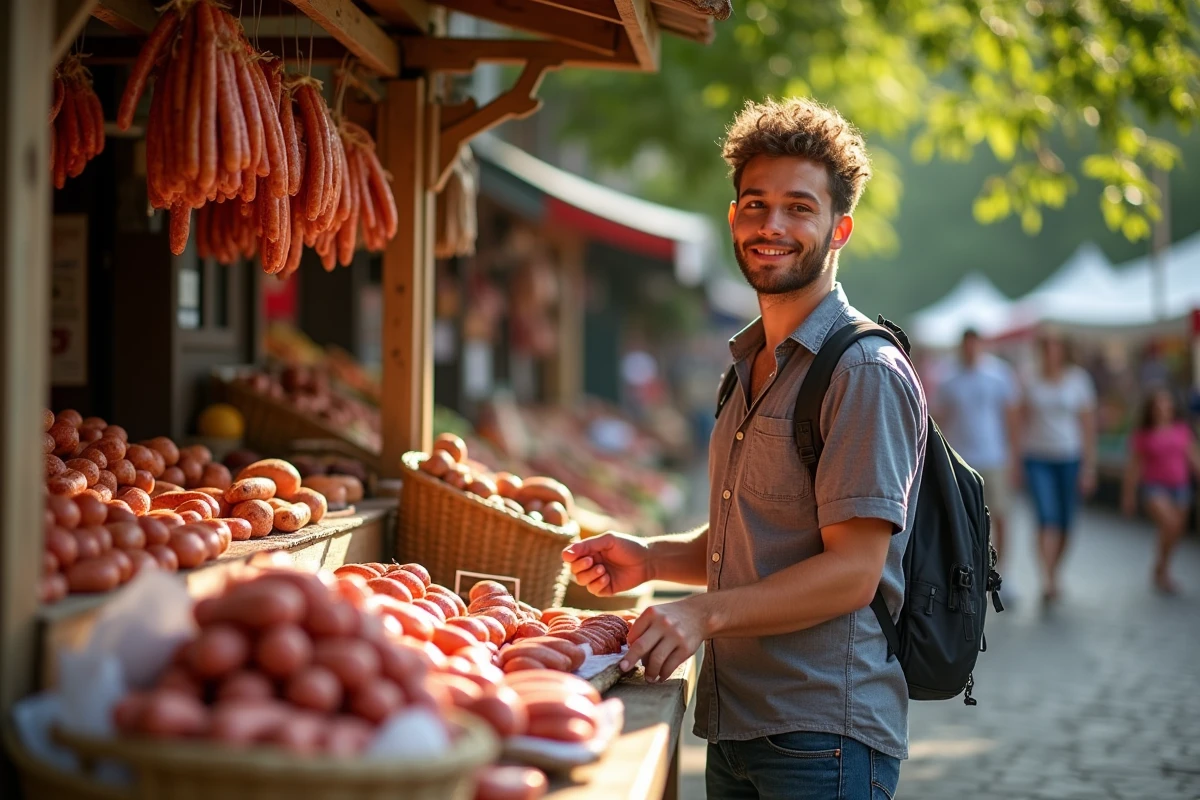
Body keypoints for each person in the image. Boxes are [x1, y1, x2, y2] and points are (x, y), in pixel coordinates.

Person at [562, 97, 926, 799]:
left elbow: (853, 571)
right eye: (755, 205)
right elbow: (757, 536)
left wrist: (700, 613)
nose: (773, 226)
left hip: (824, 739)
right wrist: (650, 557)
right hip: (738, 728)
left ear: (839, 227)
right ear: (734, 219)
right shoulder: (748, 363)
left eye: (799, 207)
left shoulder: (861, 372)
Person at [1019, 331, 1098, 605]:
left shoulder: (1078, 380)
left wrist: (1089, 467)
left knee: (1066, 522)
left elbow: (1087, 426)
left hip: (1069, 457)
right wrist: (1016, 459)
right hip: (1038, 457)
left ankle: (1056, 569)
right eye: (1047, 347)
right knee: (1045, 517)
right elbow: (1021, 420)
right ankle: (1047, 578)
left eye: (1056, 347)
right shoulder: (1029, 379)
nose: (1051, 352)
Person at [933, 329, 1020, 567]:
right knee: (963, 516)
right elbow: (939, 418)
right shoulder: (949, 378)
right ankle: (968, 567)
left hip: (994, 457)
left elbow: (1011, 418)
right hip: (961, 460)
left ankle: (1001, 570)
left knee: (1000, 514)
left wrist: (1014, 456)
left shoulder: (999, 374)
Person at [1122, 388, 1199, 594]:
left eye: (1167, 403)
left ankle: (1162, 565)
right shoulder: (1143, 434)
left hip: (1180, 486)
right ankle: (1161, 569)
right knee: (1169, 523)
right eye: (1159, 404)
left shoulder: (1182, 429)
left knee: (1176, 530)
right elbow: (1134, 466)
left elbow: (1193, 457)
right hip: (1154, 486)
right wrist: (1128, 495)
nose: (1164, 408)